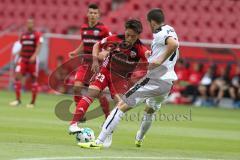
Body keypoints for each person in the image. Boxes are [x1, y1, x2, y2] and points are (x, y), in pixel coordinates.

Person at [78, 8, 179, 149]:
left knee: (120, 107)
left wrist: (159, 60)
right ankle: (140, 137)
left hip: (155, 79)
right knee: (150, 110)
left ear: (151, 22)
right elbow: (167, 46)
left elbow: (173, 45)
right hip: (168, 83)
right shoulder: (170, 29)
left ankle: (98, 141)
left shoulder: (159, 34)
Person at [69, 19, 150, 136]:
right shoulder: (115, 38)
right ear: (125, 31)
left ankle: (107, 128)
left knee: (121, 104)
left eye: (133, 36)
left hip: (121, 78)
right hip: (106, 71)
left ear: (138, 35)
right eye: (128, 35)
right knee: (92, 92)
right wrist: (95, 60)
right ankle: (73, 124)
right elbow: (97, 45)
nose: (129, 39)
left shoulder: (141, 49)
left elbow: (150, 62)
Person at [68, 4, 112, 121]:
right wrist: (75, 52)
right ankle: (80, 112)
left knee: (97, 93)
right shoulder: (83, 28)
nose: (92, 15)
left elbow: (111, 43)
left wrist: (106, 51)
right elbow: (84, 42)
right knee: (76, 88)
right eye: (91, 13)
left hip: (97, 64)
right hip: (85, 63)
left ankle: (108, 116)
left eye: (95, 13)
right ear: (87, 14)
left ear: (98, 15)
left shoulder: (104, 29)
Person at [9, 18, 43, 108]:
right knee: (17, 77)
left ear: (34, 24)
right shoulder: (23, 35)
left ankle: (32, 102)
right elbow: (21, 47)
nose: (29, 24)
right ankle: (18, 100)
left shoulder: (37, 34)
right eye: (28, 23)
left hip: (32, 61)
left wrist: (34, 56)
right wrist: (17, 58)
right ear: (26, 24)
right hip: (23, 59)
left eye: (31, 23)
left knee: (33, 79)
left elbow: (39, 46)